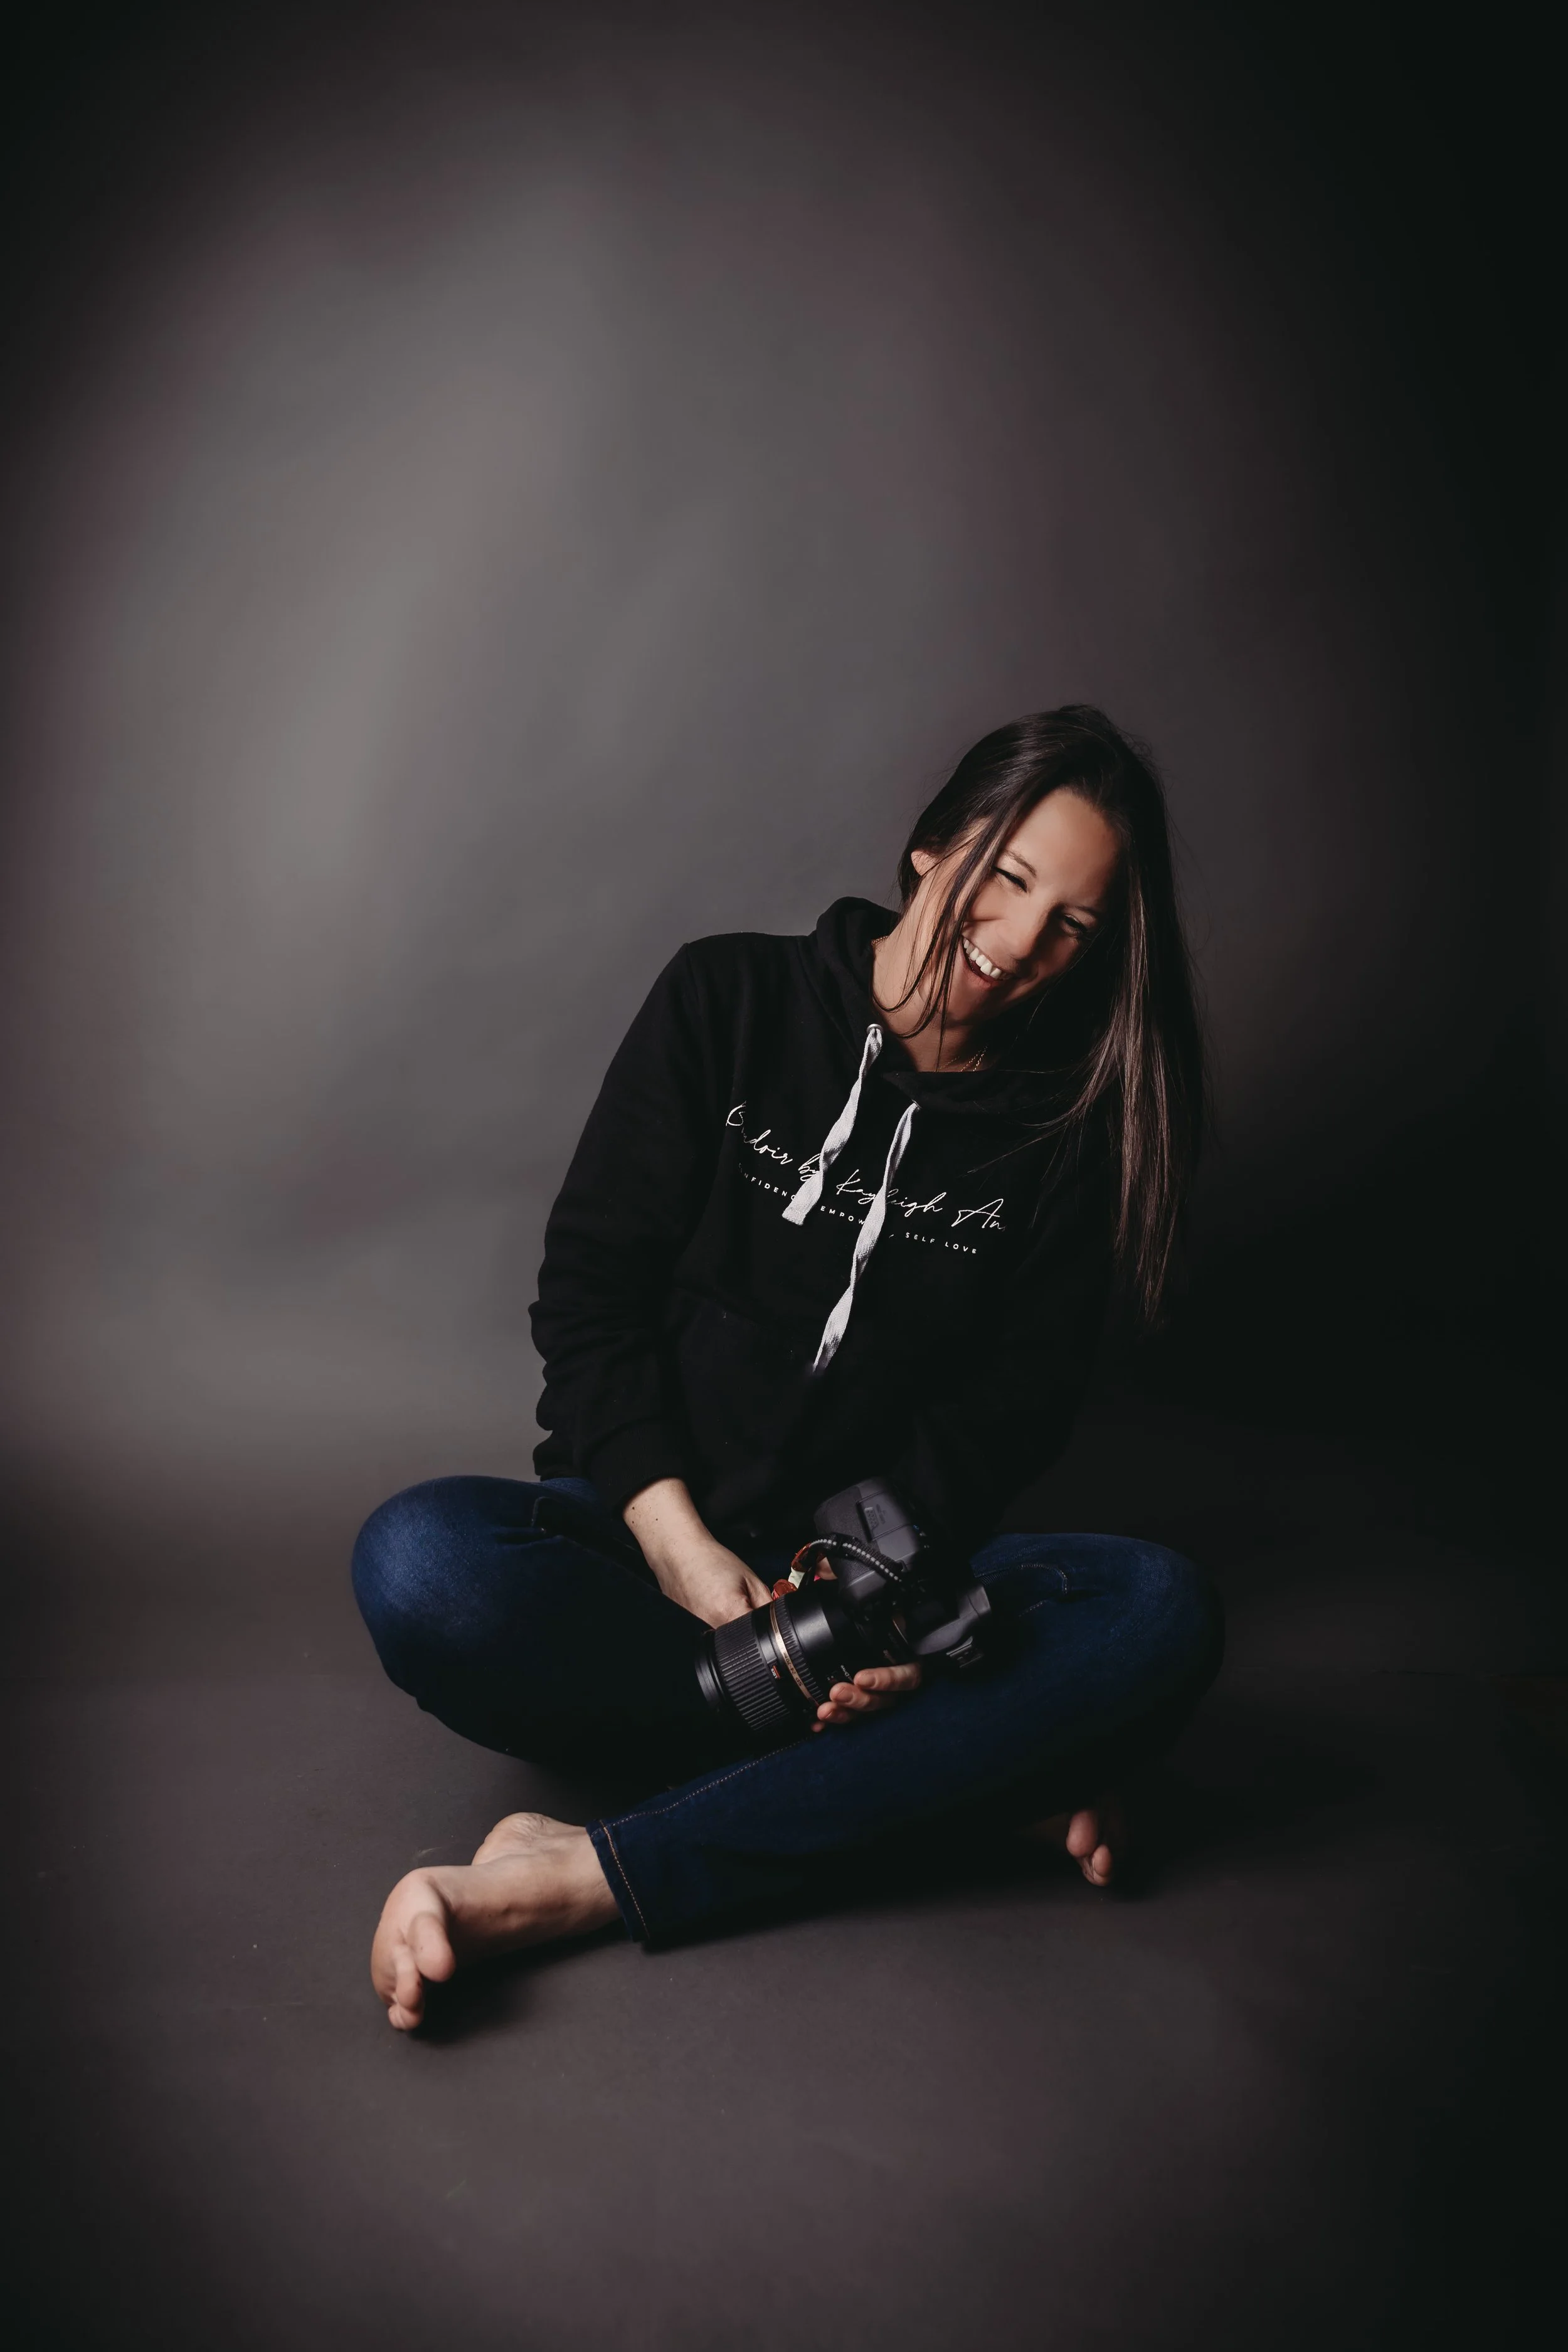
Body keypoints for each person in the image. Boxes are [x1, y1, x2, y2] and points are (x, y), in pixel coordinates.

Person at [352, 706, 1222, 2029]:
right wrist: (682, 1554)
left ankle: (583, 1872)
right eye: (1004, 877)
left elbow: (1001, 1423)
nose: (1020, 940)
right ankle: (950, 1783)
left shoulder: (1064, 1135)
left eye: (1073, 927)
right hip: (654, 1563)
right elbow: (588, 1304)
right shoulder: (726, 998)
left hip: (886, 1591)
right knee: (420, 1562)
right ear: (930, 849)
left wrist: (868, 1627)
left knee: (1157, 1609)